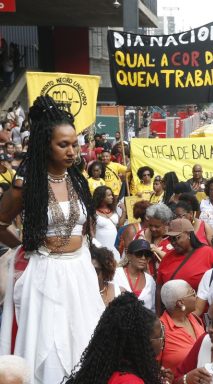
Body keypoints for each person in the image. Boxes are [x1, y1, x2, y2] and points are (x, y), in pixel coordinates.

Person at [0, 95, 104, 383]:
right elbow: (0, 223)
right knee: (46, 345)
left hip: (79, 271)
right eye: (63, 145)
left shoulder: (78, 180)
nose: (72, 151)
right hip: (44, 273)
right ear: (46, 145)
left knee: (82, 341)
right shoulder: (26, 185)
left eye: (75, 144)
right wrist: (22, 247)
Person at [63, 292, 172, 384]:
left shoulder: (108, 369)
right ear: (141, 343)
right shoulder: (129, 381)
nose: (163, 340)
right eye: (160, 336)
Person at [157, 218, 213, 309]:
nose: (173, 243)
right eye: (170, 239)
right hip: (173, 315)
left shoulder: (209, 253)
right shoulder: (167, 258)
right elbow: (159, 288)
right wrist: (158, 315)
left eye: (177, 238)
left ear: (189, 234)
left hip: (200, 314)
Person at [159, 280, 205, 371]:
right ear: (180, 303)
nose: (196, 297)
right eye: (192, 293)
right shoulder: (160, 330)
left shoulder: (195, 319)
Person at [113, 239, 156, 312]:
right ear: (129, 256)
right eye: (139, 254)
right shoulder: (115, 274)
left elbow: (152, 309)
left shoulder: (150, 280)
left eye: (147, 255)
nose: (143, 258)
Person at [93, 186, 126, 261]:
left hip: (114, 246)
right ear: (101, 197)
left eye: (112, 195)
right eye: (109, 195)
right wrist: (96, 246)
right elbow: (91, 232)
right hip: (101, 246)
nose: (112, 197)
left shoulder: (113, 210)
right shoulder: (93, 213)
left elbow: (120, 225)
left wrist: (124, 211)